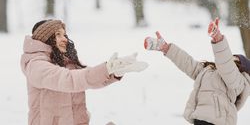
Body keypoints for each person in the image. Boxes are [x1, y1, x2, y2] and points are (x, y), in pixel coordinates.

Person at [20, 19, 148, 125]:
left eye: (64, 34)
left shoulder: (67, 62)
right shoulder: (36, 65)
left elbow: (88, 77)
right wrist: (106, 68)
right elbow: (69, 80)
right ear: (45, 38)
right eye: (58, 34)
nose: (64, 38)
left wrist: (114, 72)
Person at [144, 18, 250, 125]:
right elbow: (187, 63)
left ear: (241, 68)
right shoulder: (208, 72)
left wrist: (218, 40)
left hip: (217, 120)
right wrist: (167, 49)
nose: (226, 60)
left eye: (233, 61)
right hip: (200, 118)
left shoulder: (238, 82)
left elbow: (226, 64)